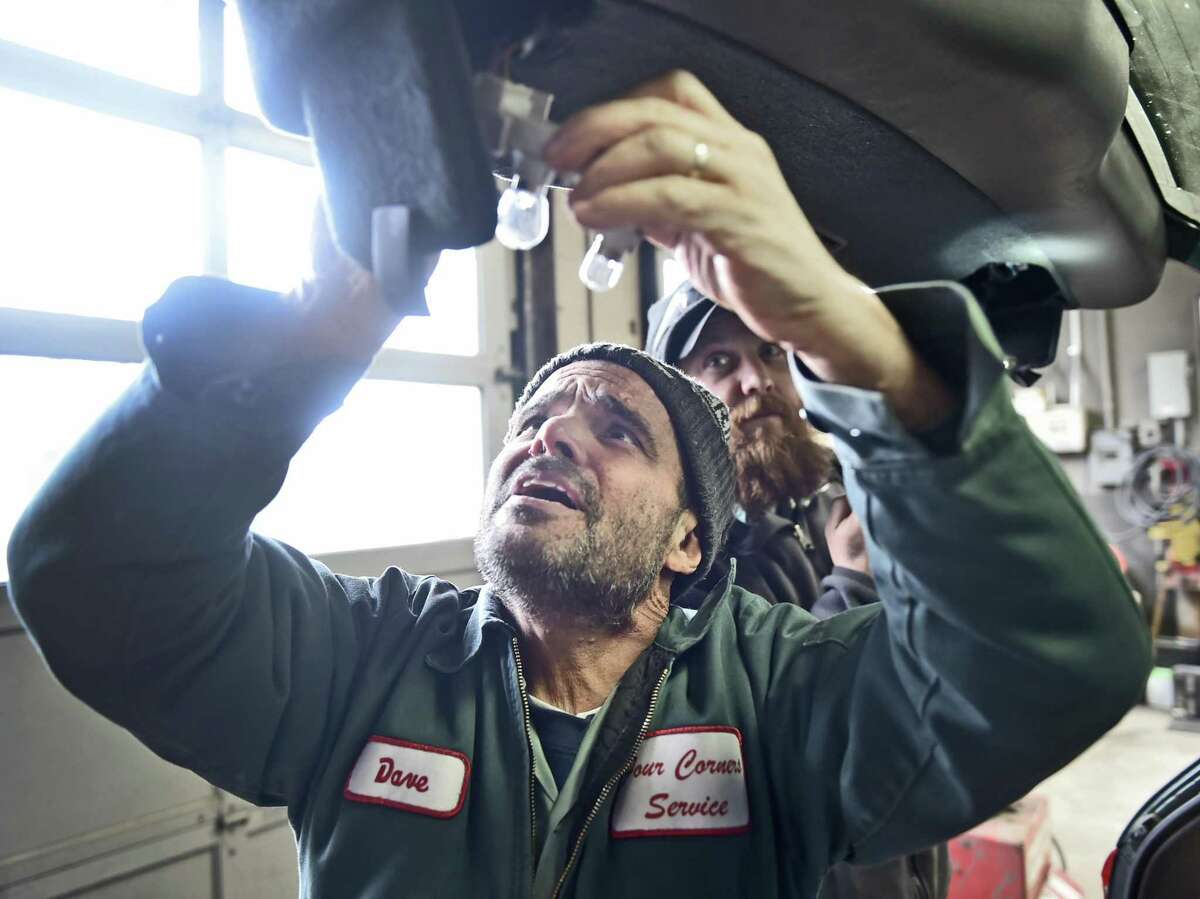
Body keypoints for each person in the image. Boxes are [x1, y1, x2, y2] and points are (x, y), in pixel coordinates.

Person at [7, 72, 1149, 899]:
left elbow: (1051, 660)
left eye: (617, 428)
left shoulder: (778, 696)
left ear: (690, 542)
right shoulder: (363, 661)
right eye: (537, 416)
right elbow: (101, 581)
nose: (552, 437)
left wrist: (850, 335)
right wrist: (320, 329)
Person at [647, 285, 949, 898]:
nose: (755, 380)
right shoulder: (679, 554)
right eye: (721, 363)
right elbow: (760, 729)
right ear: (678, 396)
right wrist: (854, 584)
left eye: (769, 352)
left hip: (908, 850)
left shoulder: (845, 490)